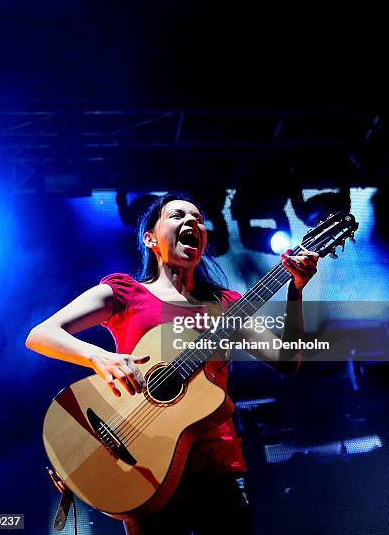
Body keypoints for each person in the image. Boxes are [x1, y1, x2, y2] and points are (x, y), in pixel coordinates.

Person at [26, 192, 319, 534]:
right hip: (141, 467)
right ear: (150, 238)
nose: (192, 223)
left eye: (198, 219)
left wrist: (295, 291)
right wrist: (99, 356)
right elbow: (41, 334)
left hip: (219, 466)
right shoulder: (125, 293)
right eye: (177, 216)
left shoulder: (228, 305)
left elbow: (288, 360)